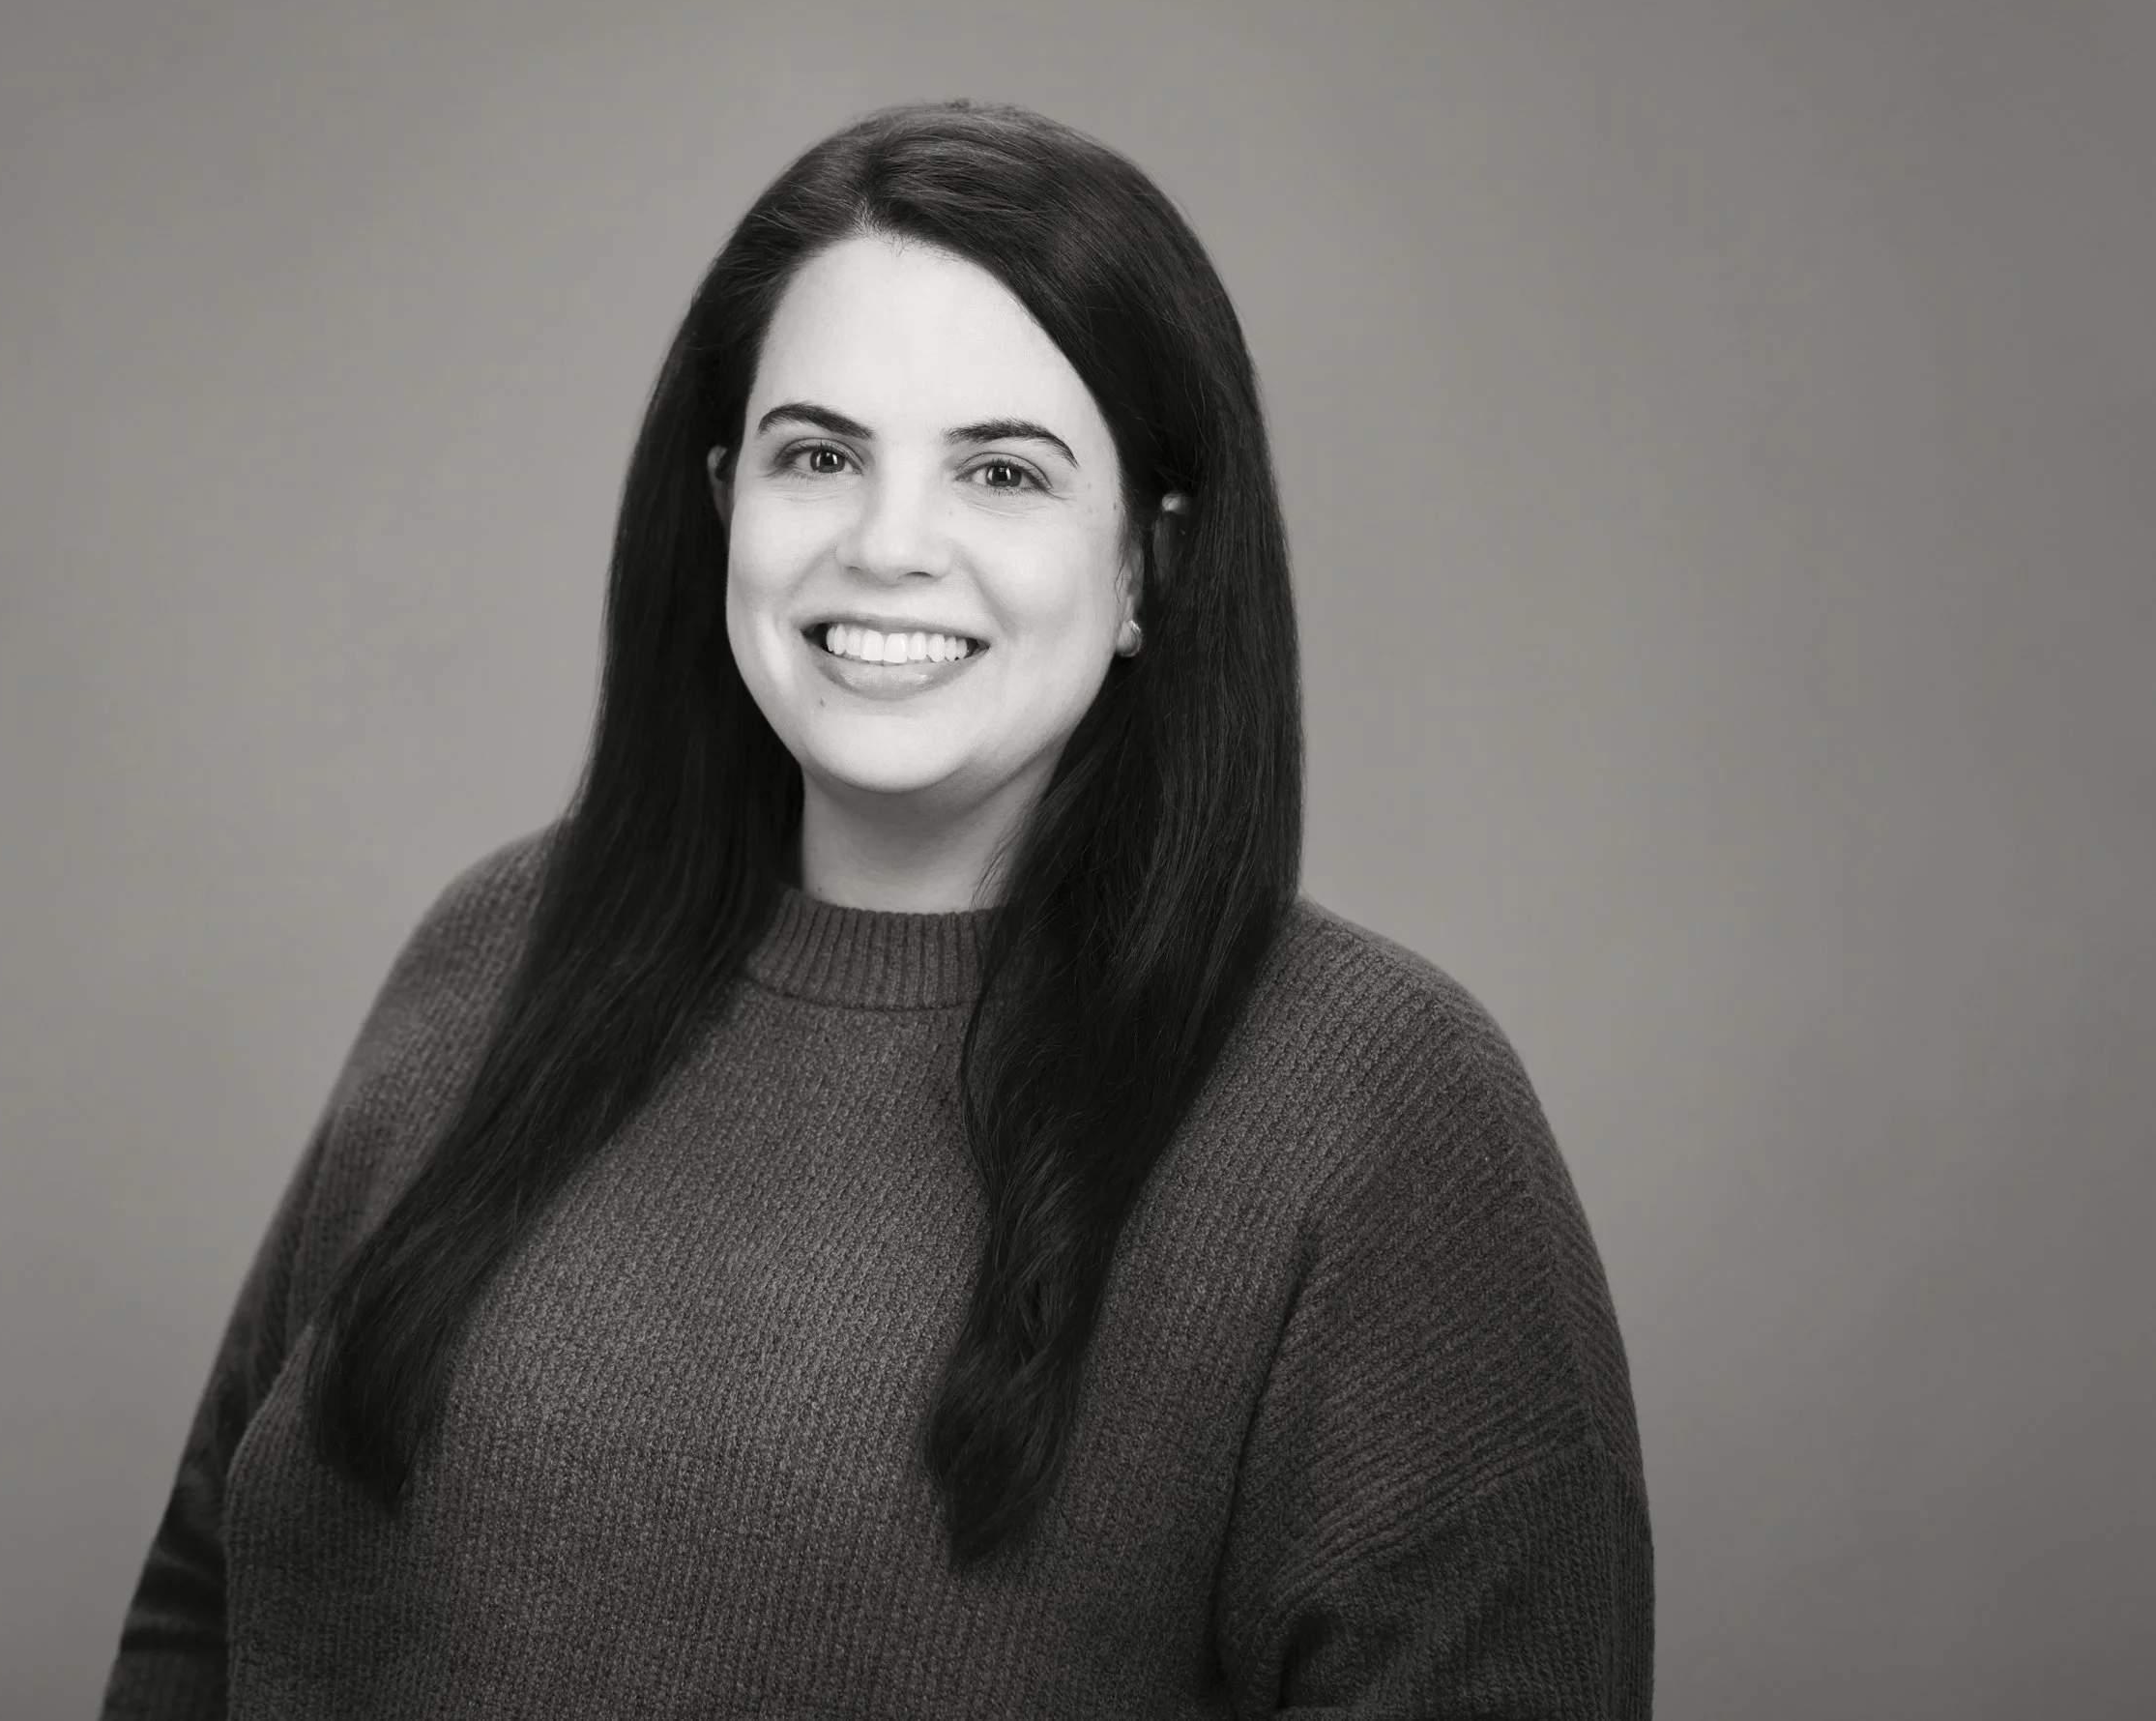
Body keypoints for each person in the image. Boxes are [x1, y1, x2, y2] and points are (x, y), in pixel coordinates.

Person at [102, 100, 1651, 1719]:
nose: (887, 545)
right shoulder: (492, 957)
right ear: (722, 501)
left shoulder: (1379, 1117)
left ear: (1149, 563)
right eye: (820, 455)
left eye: (1001, 471)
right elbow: (209, 1601)